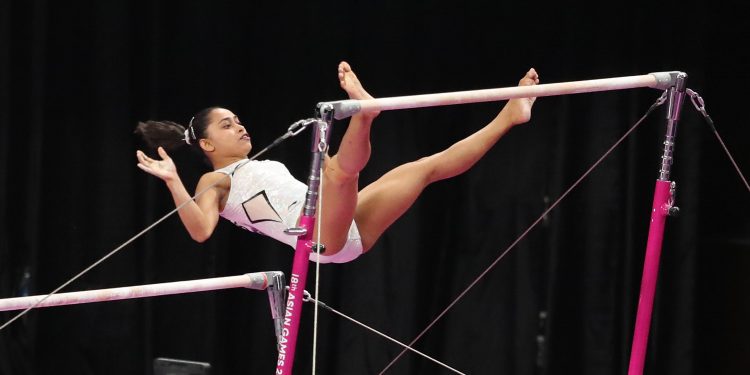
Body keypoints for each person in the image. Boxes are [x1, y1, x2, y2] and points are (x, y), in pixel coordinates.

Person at [135, 62, 540, 263]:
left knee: (426, 167)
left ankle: (510, 114)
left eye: (238, 120)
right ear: (206, 143)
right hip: (321, 238)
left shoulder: (251, 166)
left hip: (341, 227)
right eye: (227, 125)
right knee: (337, 171)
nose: (240, 127)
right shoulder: (213, 180)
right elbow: (202, 230)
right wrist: (174, 181)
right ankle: (365, 114)